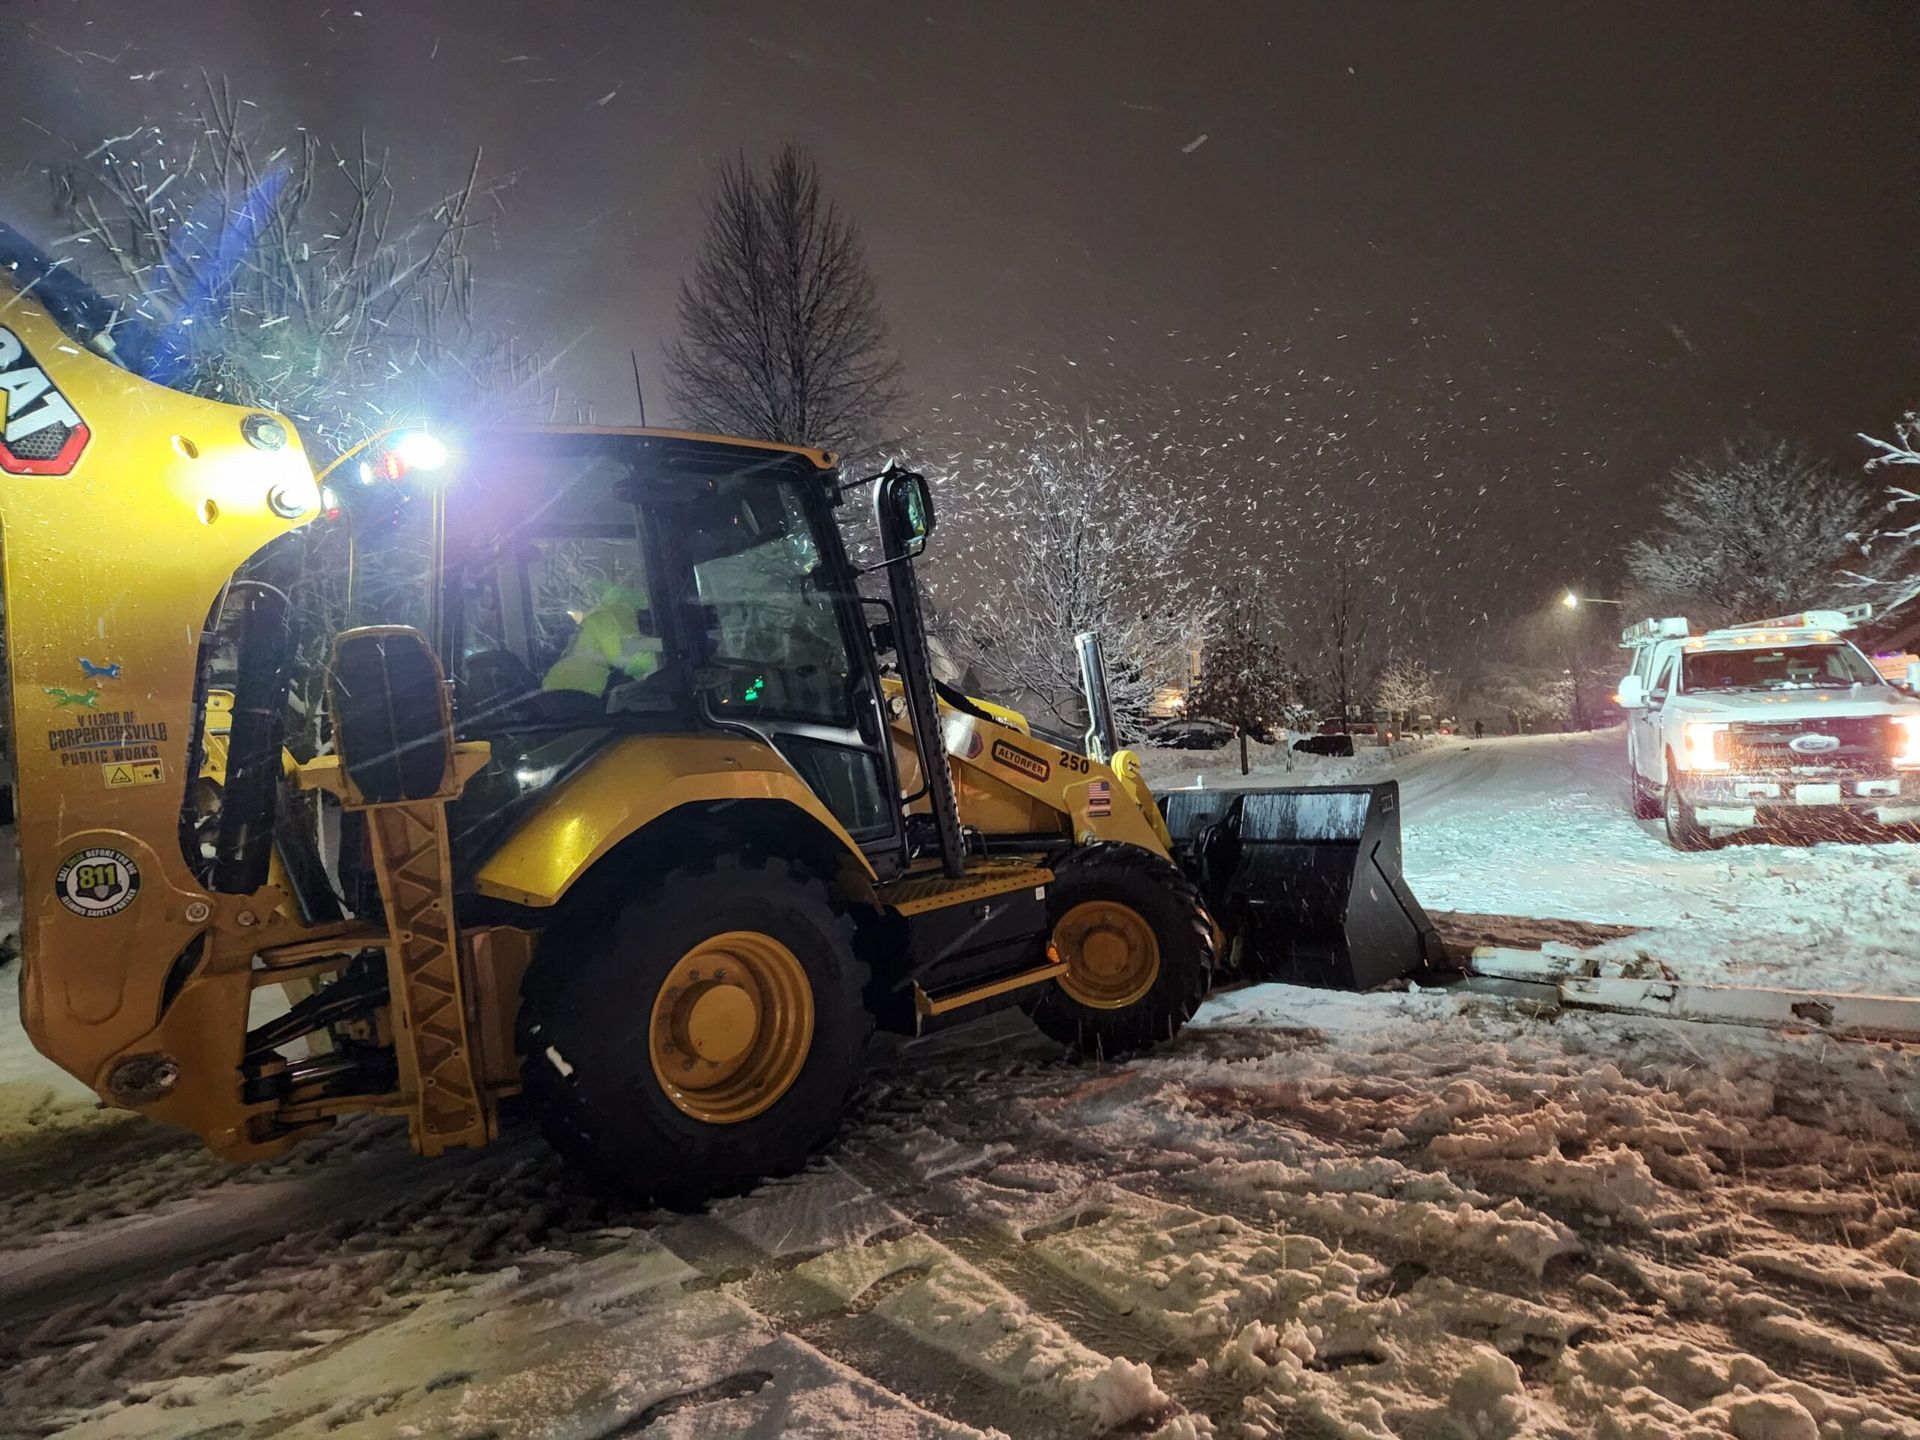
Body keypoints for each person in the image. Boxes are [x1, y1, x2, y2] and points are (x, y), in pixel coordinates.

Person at [542, 583, 663, 697]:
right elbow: (629, 657)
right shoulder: (610, 615)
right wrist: (663, 645)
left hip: (563, 687)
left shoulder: (602, 616)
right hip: (582, 690)